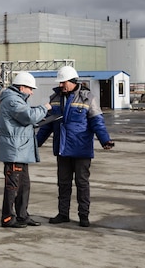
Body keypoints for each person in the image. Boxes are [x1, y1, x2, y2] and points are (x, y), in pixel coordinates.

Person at [36, 66, 115, 228]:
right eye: (59, 83)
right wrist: (35, 143)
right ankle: (63, 213)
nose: (60, 85)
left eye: (63, 82)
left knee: (82, 183)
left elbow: (97, 122)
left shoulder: (88, 98)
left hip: (81, 149)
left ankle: (83, 216)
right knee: (63, 184)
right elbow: (46, 125)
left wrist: (105, 140)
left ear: (72, 82)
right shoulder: (55, 98)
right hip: (62, 149)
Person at [0, 71, 52, 228]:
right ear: (22, 88)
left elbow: (24, 120)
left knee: (24, 185)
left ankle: (22, 215)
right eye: (30, 89)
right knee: (13, 186)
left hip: (21, 151)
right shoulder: (12, 101)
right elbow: (28, 116)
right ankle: (8, 217)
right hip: (15, 152)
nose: (32, 92)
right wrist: (44, 108)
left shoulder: (17, 100)